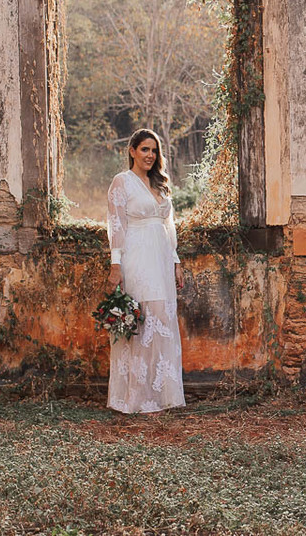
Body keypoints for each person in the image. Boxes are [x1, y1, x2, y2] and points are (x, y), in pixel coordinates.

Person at [106, 128, 186, 413]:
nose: (150, 155)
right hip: (136, 257)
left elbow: (169, 226)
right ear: (132, 151)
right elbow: (116, 224)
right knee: (140, 322)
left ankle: (163, 396)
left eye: (154, 150)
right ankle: (136, 398)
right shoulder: (122, 182)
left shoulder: (160, 183)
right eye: (144, 149)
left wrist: (176, 262)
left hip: (161, 259)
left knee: (162, 318)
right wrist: (115, 265)